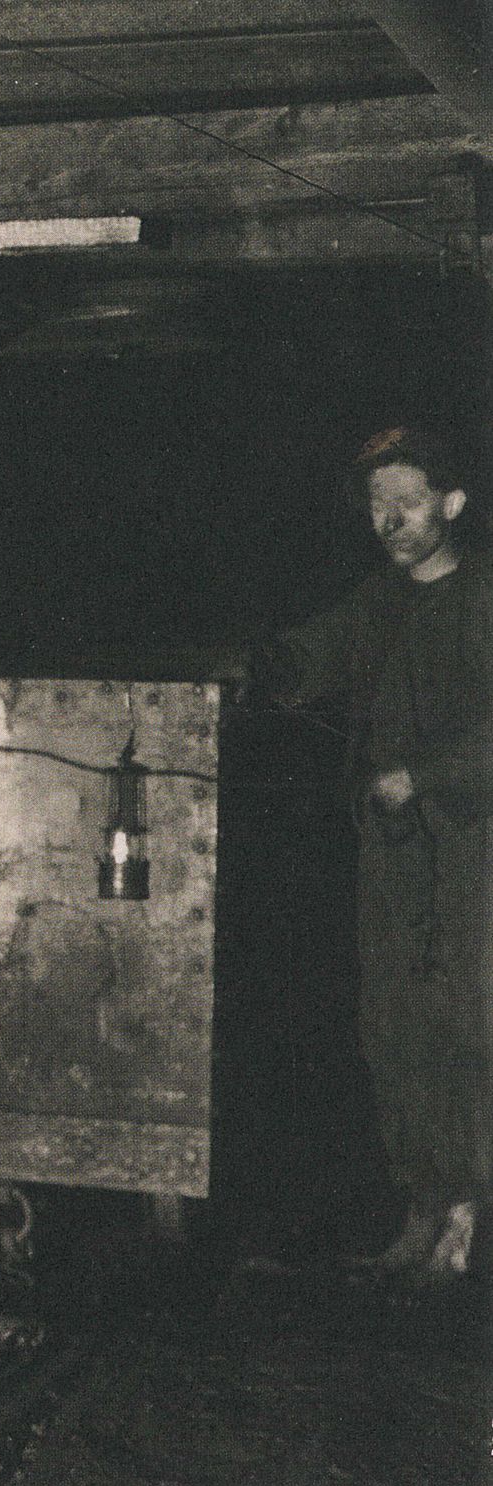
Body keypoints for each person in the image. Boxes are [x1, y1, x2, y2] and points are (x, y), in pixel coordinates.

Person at [254, 424, 491, 1283]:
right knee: (391, 1025)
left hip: (471, 856)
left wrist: (423, 775)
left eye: (409, 502)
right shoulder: (378, 601)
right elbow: (312, 655)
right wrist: (263, 662)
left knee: (466, 1024)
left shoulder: (483, 600)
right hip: (391, 857)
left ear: (452, 505)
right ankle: (421, 1209)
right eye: (377, 505)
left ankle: (468, 1221)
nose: (390, 520)